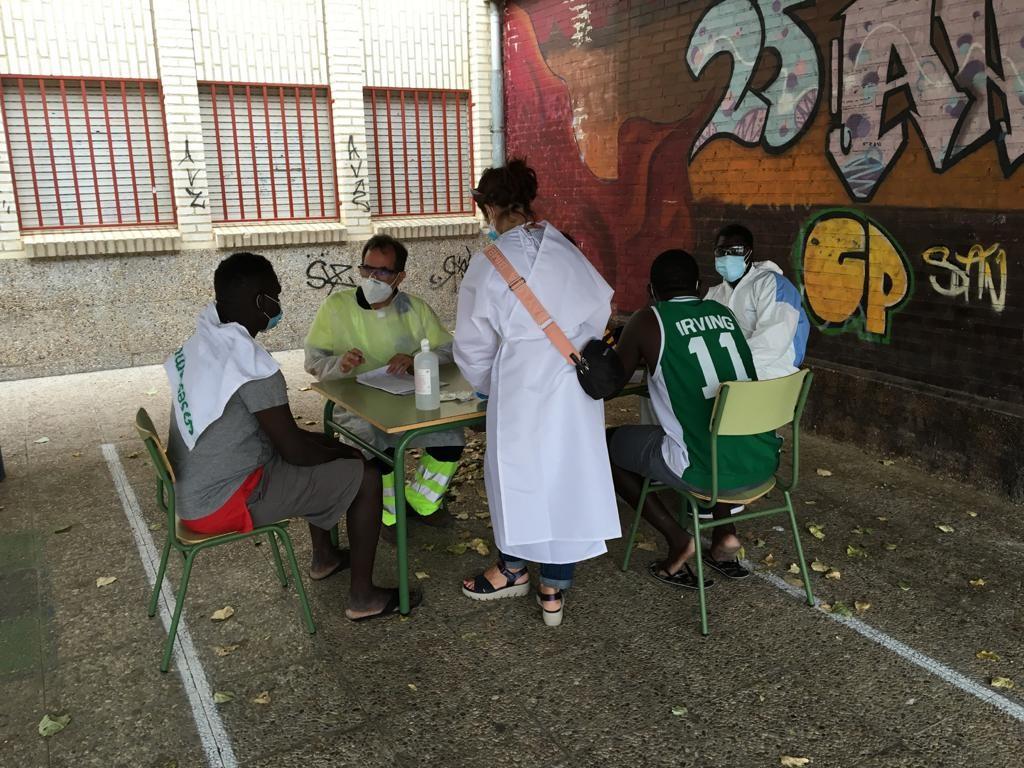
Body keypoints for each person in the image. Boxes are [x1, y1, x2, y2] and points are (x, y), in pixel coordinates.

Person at [165, 252, 417, 621]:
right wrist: (349, 459)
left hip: (195, 492)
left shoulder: (207, 340)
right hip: (222, 503)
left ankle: (325, 557)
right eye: (275, 296)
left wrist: (334, 448)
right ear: (260, 301)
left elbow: (285, 438)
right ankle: (363, 597)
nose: (278, 305)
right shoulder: (252, 366)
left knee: (331, 451)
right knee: (365, 477)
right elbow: (295, 452)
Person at [454, 159, 621, 627]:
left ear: (488, 206)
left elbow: (471, 346)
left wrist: (490, 387)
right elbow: (599, 308)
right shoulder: (565, 249)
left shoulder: (489, 263)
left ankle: (511, 570)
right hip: (574, 382)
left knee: (517, 477)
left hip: (522, 385)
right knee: (568, 474)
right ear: (526, 201)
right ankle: (554, 587)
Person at [607, 249, 781, 589]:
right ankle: (725, 535)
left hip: (701, 468)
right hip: (760, 461)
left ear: (651, 290)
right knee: (714, 430)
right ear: (700, 286)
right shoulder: (722, 313)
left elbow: (610, 385)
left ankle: (677, 538)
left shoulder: (648, 319)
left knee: (604, 445)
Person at [304, 235, 464, 542]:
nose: (373, 278)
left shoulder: (415, 309)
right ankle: (387, 512)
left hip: (408, 401)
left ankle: (422, 503)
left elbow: (448, 351)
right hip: (356, 403)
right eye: (367, 269)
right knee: (375, 442)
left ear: (400, 276)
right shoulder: (336, 307)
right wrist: (342, 364)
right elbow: (314, 361)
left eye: (384, 272)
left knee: (451, 436)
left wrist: (417, 358)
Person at [704, 224, 809, 380]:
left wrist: (727, 367)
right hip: (727, 375)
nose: (726, 256)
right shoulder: (714, 294)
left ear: (748, 252)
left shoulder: (773, 284)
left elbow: (772, 343)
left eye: (735, 251)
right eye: (721, 251)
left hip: (773, 375)